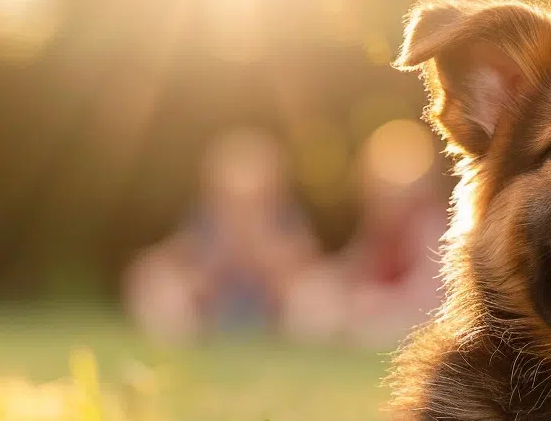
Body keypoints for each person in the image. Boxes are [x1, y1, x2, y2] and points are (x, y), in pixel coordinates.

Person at [123, 128, 320, 340]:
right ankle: (176, 333)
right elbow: (183, 261)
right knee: (153, 273)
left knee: (313, 290)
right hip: (215, 308)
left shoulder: (286, 220)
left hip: (269, 310)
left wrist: (256, 247)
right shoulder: (205, 220)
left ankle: (300, 335)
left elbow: (303, 264)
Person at [285, 121, 447, 347]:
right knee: (313, 292)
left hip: (410, 312)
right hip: (372, 306)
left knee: (381, 326)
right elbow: (356, 266)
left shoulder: (429, 224)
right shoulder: (379, 224)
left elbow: (428, 291)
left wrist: (377, 300)